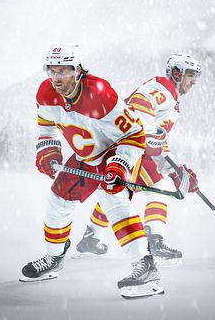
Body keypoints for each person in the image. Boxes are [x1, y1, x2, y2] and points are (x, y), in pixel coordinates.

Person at [19, 43, 164, 299]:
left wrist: (119, 165)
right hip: (88, 154)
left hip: (119, 149)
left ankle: (146, 267)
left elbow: (134, 134)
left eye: (62, 70)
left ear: (78, 71)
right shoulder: (45, 93)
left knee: (112, 198)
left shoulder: (99, 92)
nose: (55, 77)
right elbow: (46, 128)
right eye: (51, 70)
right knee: (58, 199)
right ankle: (54, 258)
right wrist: (48, 151)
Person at [76, 52, 201, 262]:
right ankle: (155, 239)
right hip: (131, 145)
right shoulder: (164, 87)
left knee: (120, 190)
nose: (194, 80)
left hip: (129, 144)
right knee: (157, 187)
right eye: (190, 74)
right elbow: (139, 104)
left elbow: (159, 140)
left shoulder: (171, 98)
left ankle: (91, 236)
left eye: (196, 75)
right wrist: (151, 138)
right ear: (177, 73)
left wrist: (174, 169)